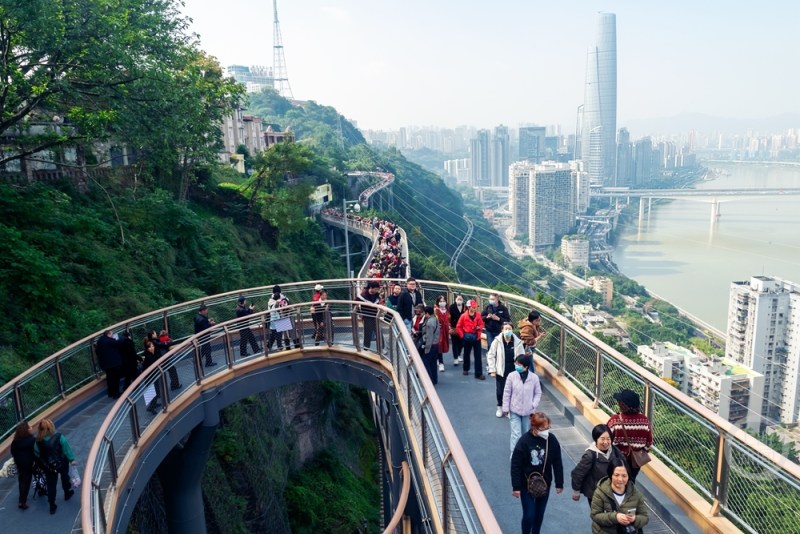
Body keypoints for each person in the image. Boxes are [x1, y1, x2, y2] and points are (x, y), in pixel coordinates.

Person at [510, 412, 564, 534]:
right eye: (543, 428)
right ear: (534, 428)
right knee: (529, 514)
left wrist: (559, 483)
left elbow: (557, 462)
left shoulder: (552, 440)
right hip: (526, 484)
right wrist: (516, 486)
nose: (546, 431)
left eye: (548, 428)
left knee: (539, 514)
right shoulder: (524, 442)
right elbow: (516, 465)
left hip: (545, 483)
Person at [570, 424, 625, 507]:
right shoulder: (590, 455)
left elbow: (624, 466)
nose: (606, 442)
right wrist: (576, 492)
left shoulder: (614, 450)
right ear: (596, 439)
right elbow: (577, 473)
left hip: (613, 492)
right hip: (596, 495)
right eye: (602, 439)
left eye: (608, 439)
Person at [590, 457, 650, 534]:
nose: (620, 479)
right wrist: (615, 517)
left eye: (624, 476)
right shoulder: (600, 493)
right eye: (616, 475)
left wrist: (634, 519)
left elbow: (645, 517)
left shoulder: (635, 493)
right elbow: (595, 516)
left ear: (628, 476)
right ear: (610, 475)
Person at [607, 389, 653, 483]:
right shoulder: (644, 420)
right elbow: (648, 444)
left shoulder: (615, 420)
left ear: (623, 405)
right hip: (635, 461)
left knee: (615, 481)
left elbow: (606, 437)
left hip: (617, 458)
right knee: (630, 481)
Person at [33, 419, 75, 515]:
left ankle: (52, 505)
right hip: (62, 462)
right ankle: (67, 493)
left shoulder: (37, 441)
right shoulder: (59, 437)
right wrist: (71, 459)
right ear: (51, 427)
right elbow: (66, 449)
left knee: (51, 485)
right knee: (65, 477)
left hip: (48, 466)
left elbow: (37, 454)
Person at [503, 354, 542, 454]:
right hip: (514, 410)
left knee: (526, 434)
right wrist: (505, 408)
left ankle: (524, 454)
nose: (517, 366)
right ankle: (514, 455)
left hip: (528, 412)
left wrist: (533, 405)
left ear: (526, 367)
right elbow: (507, 392)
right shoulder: (511, 376)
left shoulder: (534, 378)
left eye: (519, 364)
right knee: (516, 434)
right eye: (516, 363)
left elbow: (538, 393)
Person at [487, 322, 525, 417]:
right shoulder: (497, 341)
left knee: (512, 390)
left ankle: (509, 409)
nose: (508, 331)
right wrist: (492, 370)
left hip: (513, 370)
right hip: (501, 370)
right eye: (506, 329)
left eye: (509, 329)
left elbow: (522, 356)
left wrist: (522, 369)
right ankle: (500, 407)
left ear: (512, 330)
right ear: (502, 330)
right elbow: (491, 355)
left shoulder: (517, 342)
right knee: (501, 390)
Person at [456, 299, 485, 379]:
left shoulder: (478, 315)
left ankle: (478, 373)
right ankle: (466, 368)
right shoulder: (463, 316)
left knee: (478, 355)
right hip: (467, 337)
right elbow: (458, 326)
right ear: (469, 307)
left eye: (476, 307)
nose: (475, 308)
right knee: (466, 353)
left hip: (476, 337)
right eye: (473, 307)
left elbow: (482, 324)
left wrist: (479, 327)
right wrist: (462, 336)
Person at [10, 420, 35, 510]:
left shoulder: (15, 442)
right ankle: (23, 501)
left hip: (20, 465)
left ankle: (21, 500)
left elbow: (13, 452)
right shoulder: (31, 440)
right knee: (27, 482)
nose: (31, 428)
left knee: (22, 481)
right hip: (29, 465)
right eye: (30, 427)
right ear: (26, 430)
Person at [95, 330, 123, 398]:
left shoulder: (100, 342)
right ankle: (116, 393)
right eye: (111, 334)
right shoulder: (109, 341)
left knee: (109, 378)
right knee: (115, 378)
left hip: (105, 365)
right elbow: (119, 343)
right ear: (109, 334)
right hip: (114, 364)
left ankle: (111, 392)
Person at [419, 305, 441, 385]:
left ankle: (430, 380)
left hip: (430, 346)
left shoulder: (429, 323)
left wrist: (426, 349)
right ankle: (434, 379)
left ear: (427, 313)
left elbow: (429, 337)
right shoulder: (435, 319)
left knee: (426, 363)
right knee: (433, 363)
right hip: (436, 344)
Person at [358, 280, 381, 349]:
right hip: (367, 316)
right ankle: (366, 348)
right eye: (375, 289)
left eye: (377, 289)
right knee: (367, 332)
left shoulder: (377, 295)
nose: (377, 291)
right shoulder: (363, 295)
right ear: (371, 288)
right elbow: (355, 303)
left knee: (379, 331)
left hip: (375, 315)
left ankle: (381, 348)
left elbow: (378, 303)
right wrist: (359, 313)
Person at [433, 295, 450, 372]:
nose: (442, 303)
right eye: (440, 301)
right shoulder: (436, 311)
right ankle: (441, 363)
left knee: (442, 345)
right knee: (439, 344)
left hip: (445, 330)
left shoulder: (447, 310)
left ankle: (437, 358)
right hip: (438, 330)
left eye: (444, 301)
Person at [448, 294, 466, 366]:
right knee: (454, 343)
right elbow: (449, 318)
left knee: (461, 343)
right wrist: (449, 326)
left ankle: (458, 354)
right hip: (454, 327)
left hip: (463, 328)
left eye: (460, 299)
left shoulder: (465, 307)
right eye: (458, 299)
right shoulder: (452, 307)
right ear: (455, 299)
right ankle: (455, 358)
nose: (459, 300)